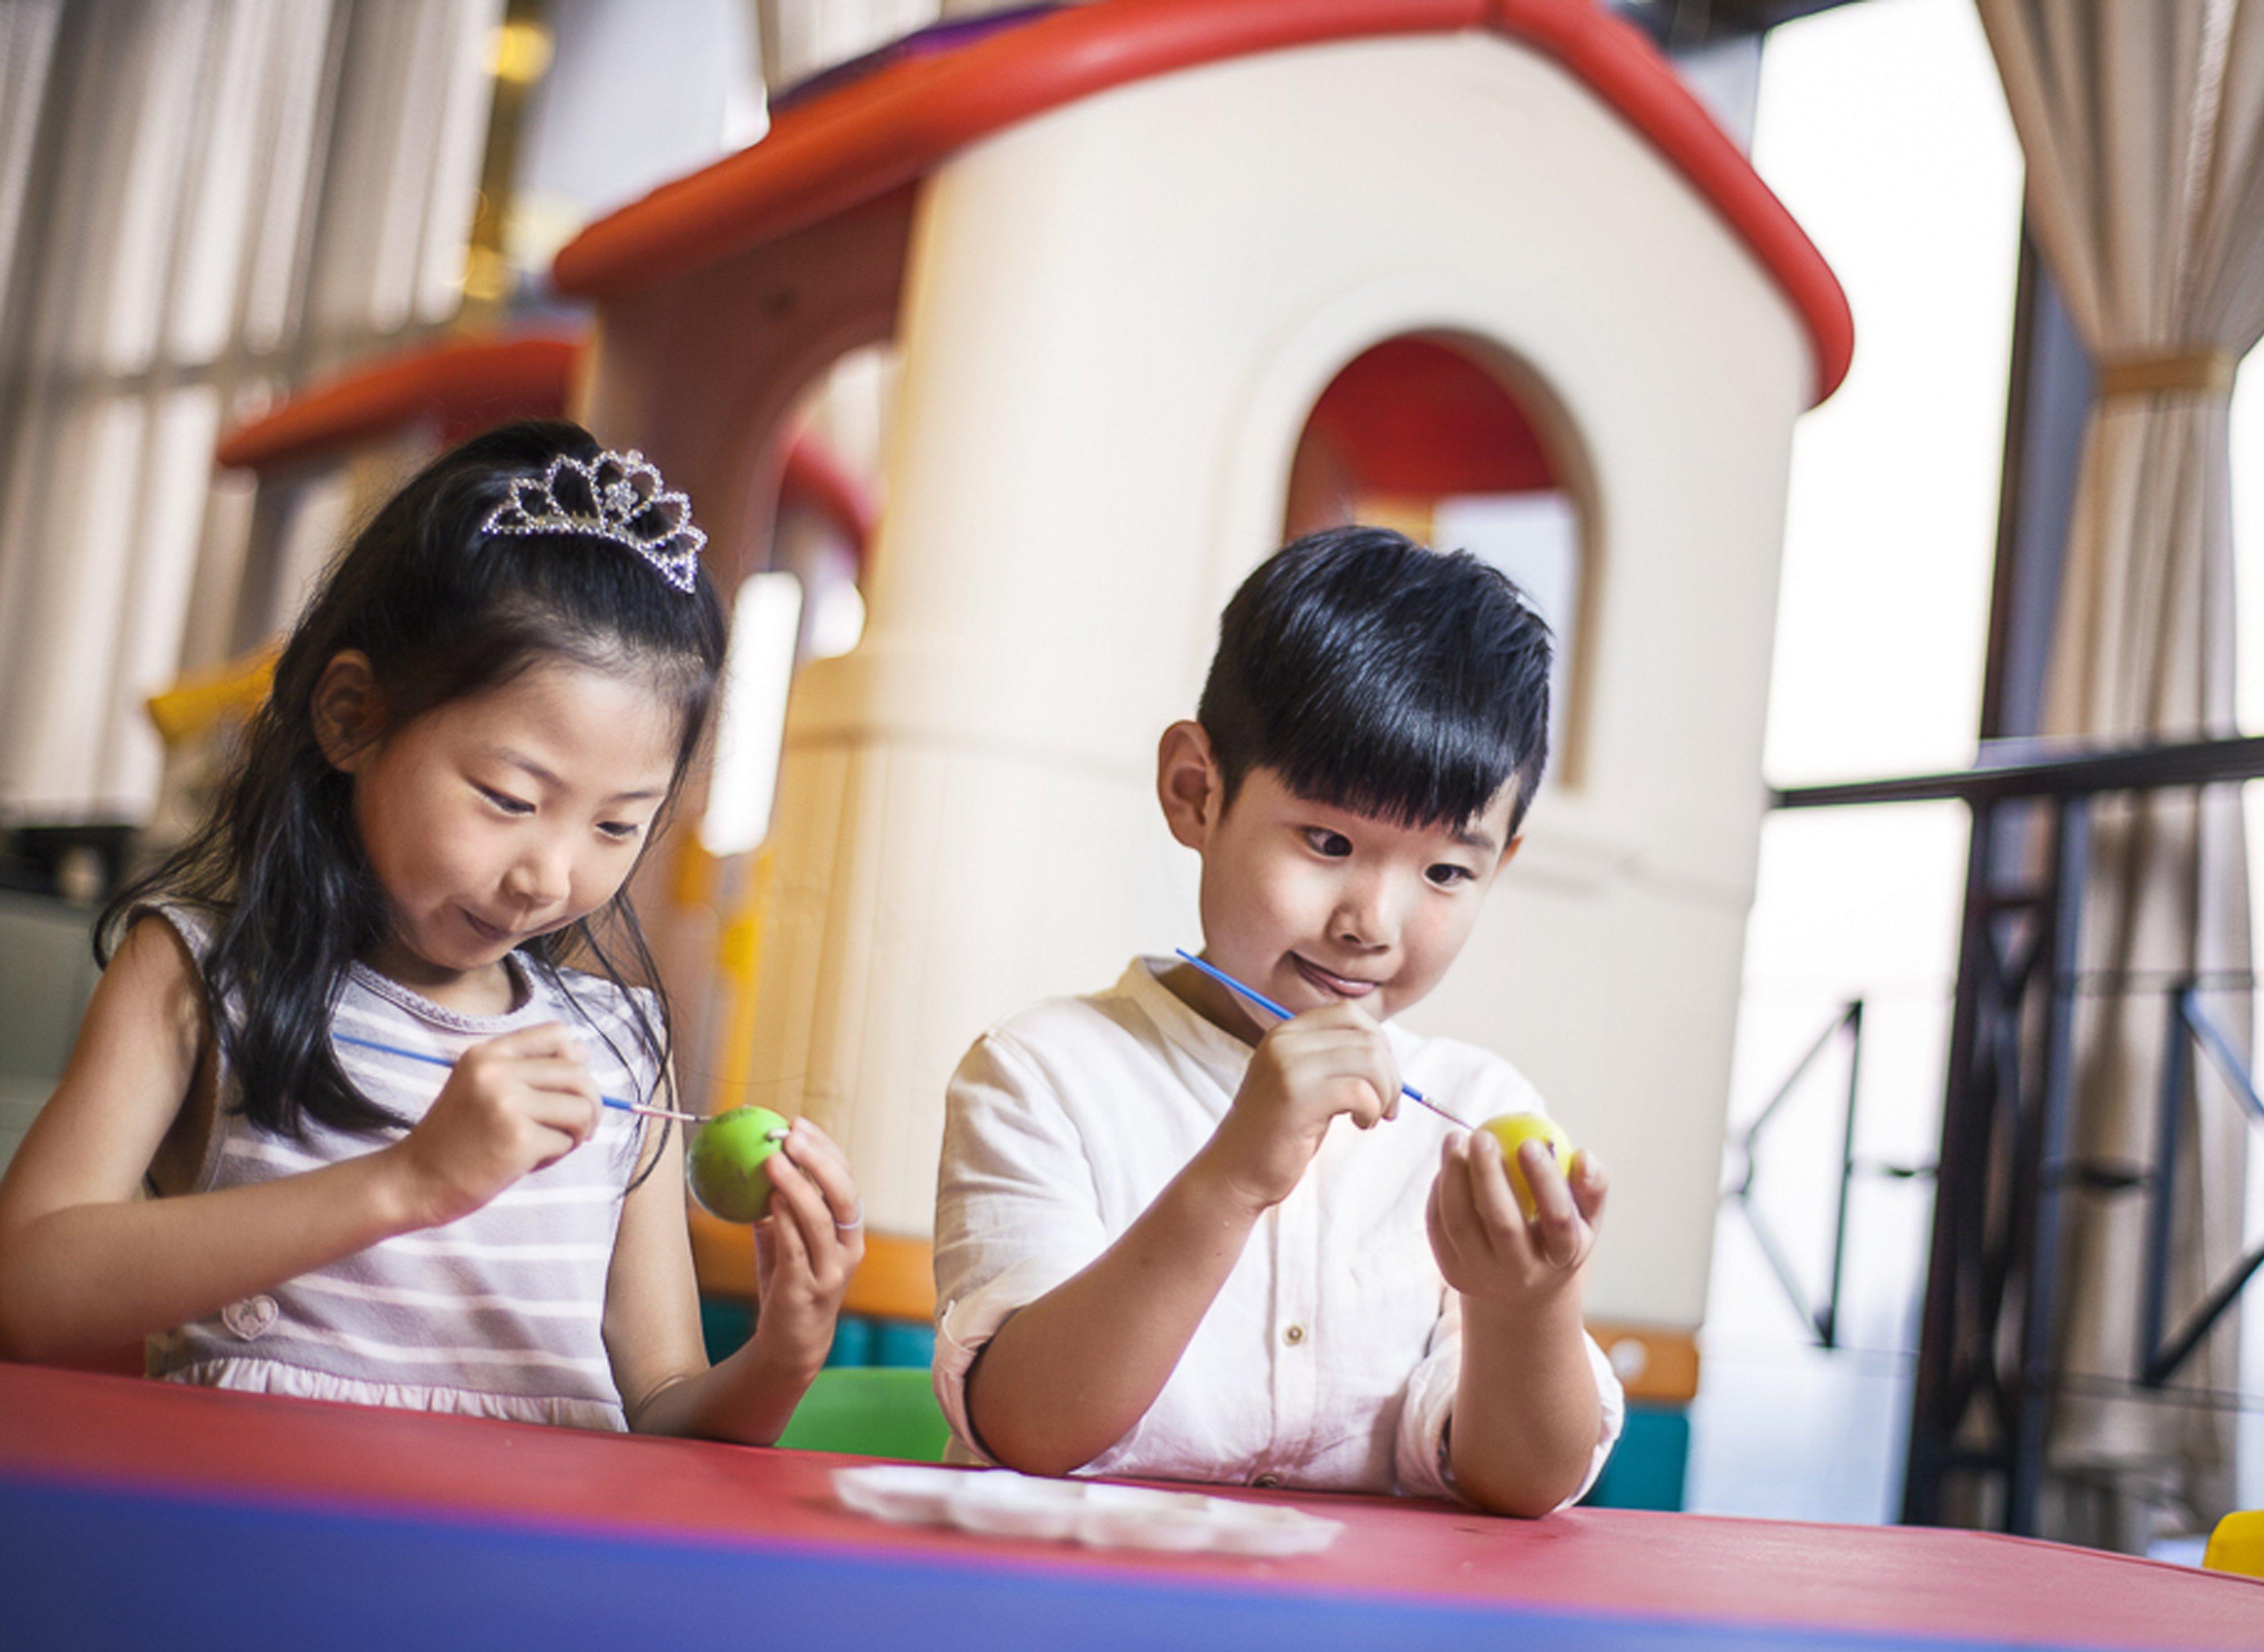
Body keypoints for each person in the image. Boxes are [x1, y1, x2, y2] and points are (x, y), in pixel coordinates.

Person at [0, 421, 862, 1441]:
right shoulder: (200, 973)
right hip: (267, 1536)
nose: (549, 874)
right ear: (353, 717)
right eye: (507, 797)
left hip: (538, 1571)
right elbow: (29, 1290)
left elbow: (663, 1406)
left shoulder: (620, 1046)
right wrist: (407, 1182)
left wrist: (784, 1355)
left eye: (618, 823)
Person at [933, 526, 1623, 1515]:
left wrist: (1529, 1305)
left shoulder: (1476, 1112)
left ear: (1498, 866)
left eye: (1444, 871)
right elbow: (1030, 1428)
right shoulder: (1041, 1073)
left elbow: (1523, 1486)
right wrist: (1231, 1177)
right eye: (1329, 838)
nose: (1371, 923)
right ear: (1195, 793)